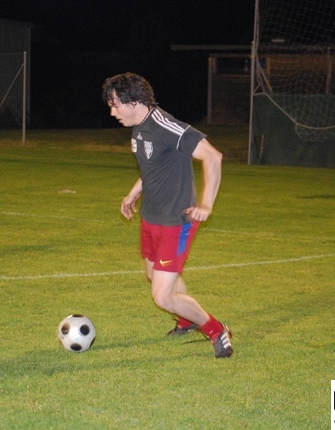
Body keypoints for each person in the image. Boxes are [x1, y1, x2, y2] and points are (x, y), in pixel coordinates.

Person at [102, 72, 233, 358]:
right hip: (151, 217)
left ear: (134, 102)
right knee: (154, 276)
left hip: (176, 221)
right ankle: (186, 319)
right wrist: (133, 192)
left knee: (162, 296)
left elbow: (213, 156)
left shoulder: (165, 125)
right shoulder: (139, 127)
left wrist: (206, 204)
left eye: (115, 105)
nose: (113, 113)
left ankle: (216, 330)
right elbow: (153, 169)